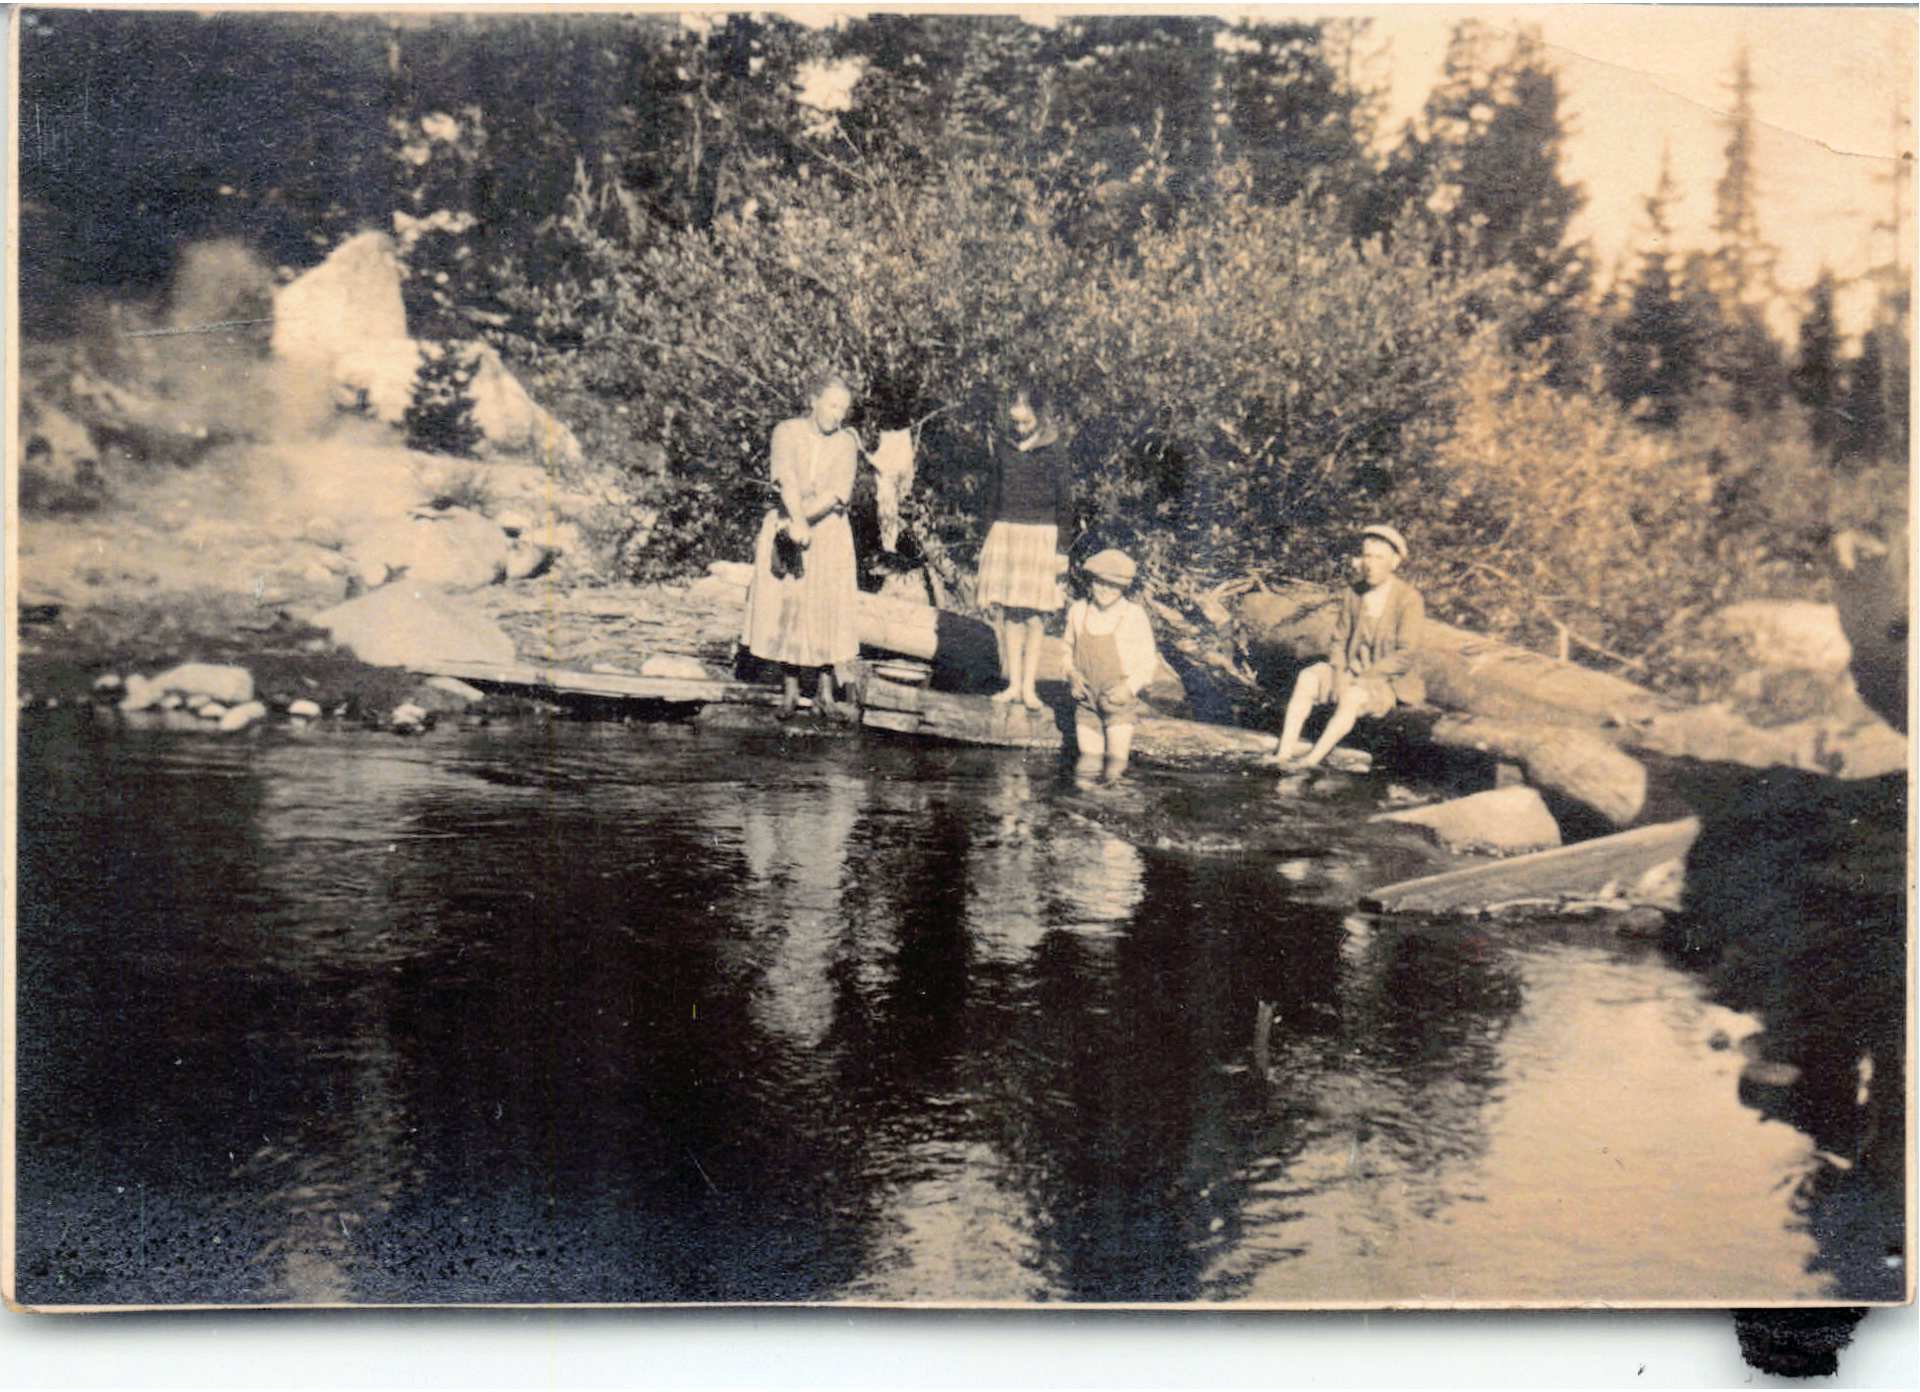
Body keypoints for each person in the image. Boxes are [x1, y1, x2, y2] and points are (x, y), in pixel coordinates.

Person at [742, 372, 862, 721]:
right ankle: (791, 688)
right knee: (788, 602)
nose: (838, 414)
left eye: (844, 408)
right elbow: (786, 479)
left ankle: (825, 689)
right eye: (832, 404)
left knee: (828, 604)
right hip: (788, 524)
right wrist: (794, 522)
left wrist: (804, 521)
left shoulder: (846, 443)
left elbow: (837, 493)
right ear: (814, 400)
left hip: (829, 530)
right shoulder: (787, 432)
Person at [1271, 523, 1426, 767]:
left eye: (1379, 558)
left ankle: (1312, 760)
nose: (1370, 564)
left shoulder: (1408, 600)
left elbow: (1406, 654)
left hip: (1387, 680)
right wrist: (1338, 673)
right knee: (1307, 678)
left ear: (1394, 562)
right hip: (1350, 670)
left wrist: (1363, 678)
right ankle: (1284, 753)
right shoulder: (1353, 593)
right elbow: (1339, 640)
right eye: (1367, 556)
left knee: (1352, 696)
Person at [977, 384, 1073, 710]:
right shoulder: (1003, 449)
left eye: (1026, 423)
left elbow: (1065, 504)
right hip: (1006, 534)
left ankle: (1030, 688)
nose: (1019, 429)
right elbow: (991, 495)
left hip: (1041, 536)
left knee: (1035, 616)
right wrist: (988, 537)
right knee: (1010, 612)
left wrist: (1063, 551)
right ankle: (1013, 684)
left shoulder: (1054, 451)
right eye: (1015, 422)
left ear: (1039, 417)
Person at [1065, 548, 1160, 782]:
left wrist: (1129, 689)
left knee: (1116, 762)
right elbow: (1065, 649)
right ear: (1090, 582)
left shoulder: (1133, 615)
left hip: (1117, 700)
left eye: (1113, 585)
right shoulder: (1079, 611)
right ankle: (1081, 813)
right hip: (1086, 700)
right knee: (1087, 762)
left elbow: (1148, 661)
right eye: (1100, 582)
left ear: (1124, 587)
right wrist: (1071, 675)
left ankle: (1113, 807)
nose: (1105, 589)